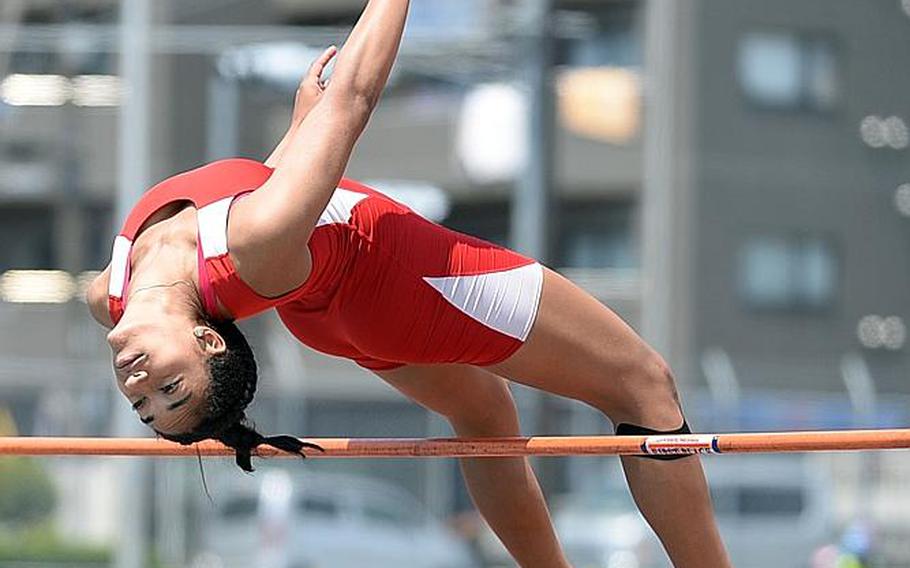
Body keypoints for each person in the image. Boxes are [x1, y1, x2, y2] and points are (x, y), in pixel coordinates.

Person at [87, 1, 731, 566]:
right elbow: (357, 97)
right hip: (403, 282)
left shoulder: (108, 293)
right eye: (170, 392)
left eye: (149, 401)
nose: (140, 386)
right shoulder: (257, 244)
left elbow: (262, 195)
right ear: (209, 342)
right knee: (642, 385)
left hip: (338, 316)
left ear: (209, 338)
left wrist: (296, 132)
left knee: (484, 415)